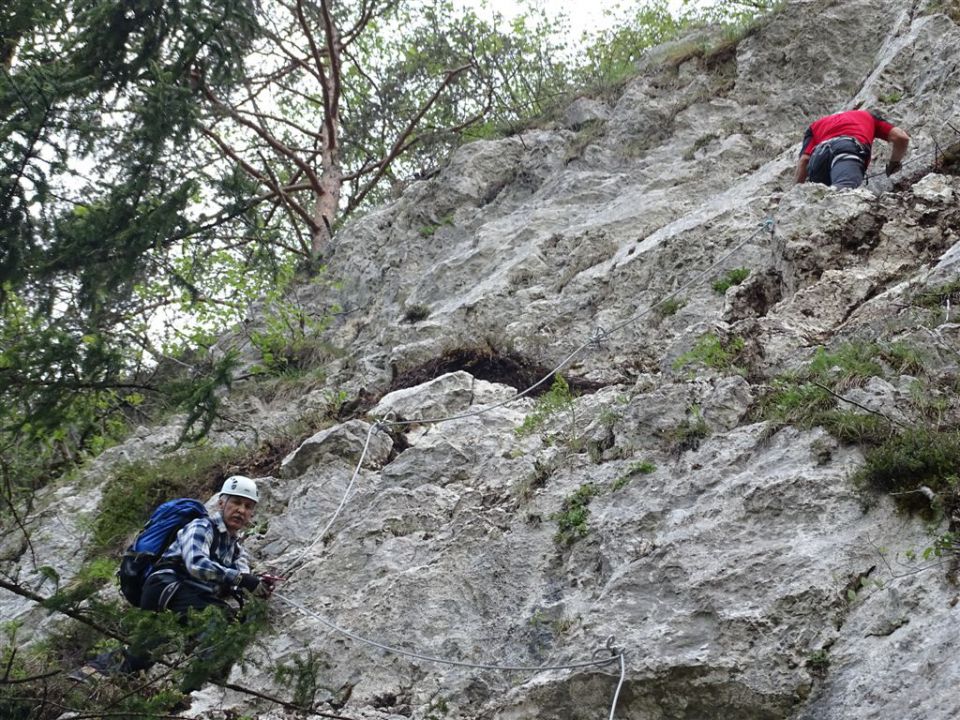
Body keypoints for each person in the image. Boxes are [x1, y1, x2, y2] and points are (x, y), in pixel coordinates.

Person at [71, 476, 278, 684]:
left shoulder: (235, 549)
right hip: (169, 585)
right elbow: (196, 563)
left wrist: (257, 584)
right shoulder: (201, 527)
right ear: (221, 503)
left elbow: (239, 579)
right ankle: (189, 690)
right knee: (217, 620)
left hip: (182, 594)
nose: (241, 510)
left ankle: (93, 671)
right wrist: (241, 578)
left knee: (149, 647)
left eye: (248, 506)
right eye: (236, 502)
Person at [795, 109, 910, 188]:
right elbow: (901, 137)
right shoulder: (866, 116)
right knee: (845, 191)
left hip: (818, 157)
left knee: (821, 200)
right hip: (846, 151)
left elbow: (805, 160)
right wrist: (893, 164)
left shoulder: (816, 125)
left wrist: (794, 196)